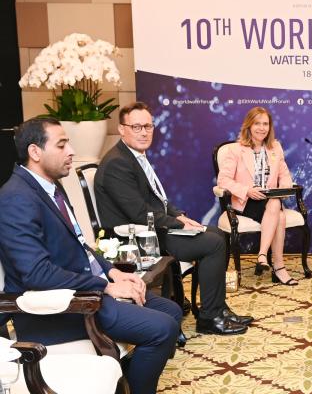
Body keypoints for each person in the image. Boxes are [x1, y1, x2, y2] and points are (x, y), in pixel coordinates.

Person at [0, 117, 181, 394]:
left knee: (171, 309)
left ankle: (124, 382)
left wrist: (112, 271)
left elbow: (80, 242)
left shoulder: (50, 187)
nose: (71, 151)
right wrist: (106, 286)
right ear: (35, 152)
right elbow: (36, 273)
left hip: (85, 288)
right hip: (63, 308)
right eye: (61, 144)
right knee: (163, 328)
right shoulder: (16, 198)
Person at [95, 102, 252, 335]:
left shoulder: (134, 156)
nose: (144, 132)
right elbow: (139, 213)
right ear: (121, 129)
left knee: (217, 233)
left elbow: (157, 199)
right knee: (214, 243)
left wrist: (179, 215)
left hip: (151, 229)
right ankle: (210, 318)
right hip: (136, 239)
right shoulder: (118, 163)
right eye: (136, 127)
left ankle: (217, 308)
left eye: (148, 126)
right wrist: (178, 223)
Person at [216, 106, 298, 285]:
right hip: (246, 202)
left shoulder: (275, 147)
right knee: (280, 216)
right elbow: (223, 180)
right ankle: (278, 267)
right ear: (249, 126)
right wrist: (247, 190)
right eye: (257, 124)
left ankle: (263, 256)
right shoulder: (236, 150)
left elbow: (285, 175)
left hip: (269, 200)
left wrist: (283, 188)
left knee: (276, 205)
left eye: (265, 124)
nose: (262, 128)